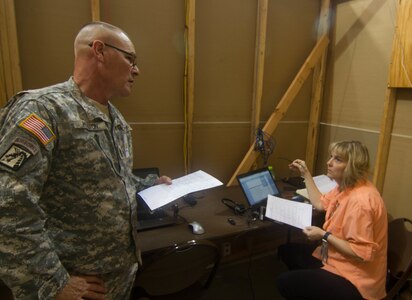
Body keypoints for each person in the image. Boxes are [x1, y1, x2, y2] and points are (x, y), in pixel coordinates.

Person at [0, 21, 172, 299]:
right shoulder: (44, 111)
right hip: (73, 285)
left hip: (116, 279)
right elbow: (9, 206)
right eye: (130, 58)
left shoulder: (115, 120)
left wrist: (150, 184)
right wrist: (52, 283)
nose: (136, 70)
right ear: (99, 51)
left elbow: (109, 179)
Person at [276, 140, 387, 300]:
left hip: (356, 278)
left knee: (284, 282)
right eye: (331, 157)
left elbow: (361, 253)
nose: (329, 162)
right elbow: (321, 203)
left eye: (338, 159)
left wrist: (323, 235)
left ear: (352, 166)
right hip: (337, 260)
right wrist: (305, 173)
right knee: (287, 251)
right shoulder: (348, 186)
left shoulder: (360, 202)